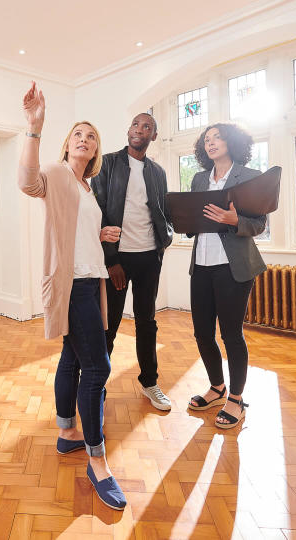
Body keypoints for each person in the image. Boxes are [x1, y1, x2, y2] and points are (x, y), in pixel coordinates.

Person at [17, 82, 126, 510]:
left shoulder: (85, 187)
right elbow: (28, 182)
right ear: (67, 145)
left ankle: (67, 434)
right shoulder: (58, 174)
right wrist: (34, 127)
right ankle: (97, 463)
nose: (85, 139)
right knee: (98, 368)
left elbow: (75, 228)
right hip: (75, 282)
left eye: (91, 136)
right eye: (78, 134)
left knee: (72, 357)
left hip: (89, 277)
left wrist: (98, 234)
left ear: (96, 150)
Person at [185, 123, 267, 429]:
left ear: (232, 141)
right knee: (201, 333)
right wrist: (186, 220)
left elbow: (259, 224)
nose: (211, 142)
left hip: (234, 268)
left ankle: (236, 398)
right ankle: (217, 387)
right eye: (207, 139)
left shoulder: (249, 177)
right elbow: (195, 219)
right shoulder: (198, 179)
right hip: (201, 266)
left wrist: (236, 220)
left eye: (217, 137)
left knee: (231, 334)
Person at [90, 113, 173, 410]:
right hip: (118, 259)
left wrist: (165, 242)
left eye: (147, 127)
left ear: (153, 135)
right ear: (128, 131)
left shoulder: (158, 172)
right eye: (136, 125)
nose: (140, 130)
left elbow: (163, 212)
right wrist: (111, 259)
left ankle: (149, 382)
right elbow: (98, 211)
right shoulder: (108, 164)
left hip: (150, 257)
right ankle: (97, 384)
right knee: (108, 324)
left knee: (146, 322)